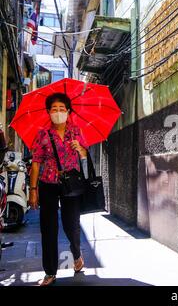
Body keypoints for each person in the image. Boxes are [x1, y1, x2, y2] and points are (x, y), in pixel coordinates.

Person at [28, 93, 88, 286]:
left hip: (71, 184)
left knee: (72, 225)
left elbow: (85, 154)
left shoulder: (76, 131)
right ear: (48, 112)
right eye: (54, 109)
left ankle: (76, 255)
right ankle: (50, 272)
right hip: (48, 185)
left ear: (68, 111)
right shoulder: (43, 135)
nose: (58, 112)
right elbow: (36, 164)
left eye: (62, 108)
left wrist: (80, 148)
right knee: (49, 229)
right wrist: (33, 190)